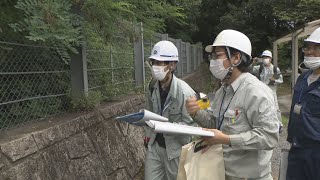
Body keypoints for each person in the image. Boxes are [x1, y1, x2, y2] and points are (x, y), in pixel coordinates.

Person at [186, 29, 279, 180]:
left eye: (218, 55)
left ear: (236, 58)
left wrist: (227, 139)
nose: (213, 61)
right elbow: (216, 122)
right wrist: (196, 112)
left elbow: (269, 137)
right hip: (223, 173)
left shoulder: (255, 91)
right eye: (212, 56)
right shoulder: (222, 91)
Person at [144, 40, 196, 180]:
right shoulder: (152, 86)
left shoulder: (185, 92)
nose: (155, 66)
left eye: (160, 63)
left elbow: (193, 126)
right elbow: (149, 112)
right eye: (153, 62)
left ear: (172, 65)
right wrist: (147, 134)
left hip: (175, 150)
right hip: (155, 146)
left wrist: (167, 127)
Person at [286, 27, 320, 180]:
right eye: (308, 47)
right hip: (296, 146)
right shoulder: (303, 77)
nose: (309, 52)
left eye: (315, 48)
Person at [251, 50, 284, 132]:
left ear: (271, 58)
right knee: (260, 108)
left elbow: (281, 79)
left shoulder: (275, 69)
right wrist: (253, 62)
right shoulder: (259, 68)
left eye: (267, 57)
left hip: (272, 91)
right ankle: (262, 124)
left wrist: (273, 80)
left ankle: (279, 125)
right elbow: (249, 70)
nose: (265, 59)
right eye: (264, 57)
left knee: (276, 108)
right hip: (261, 91)